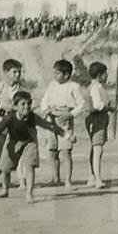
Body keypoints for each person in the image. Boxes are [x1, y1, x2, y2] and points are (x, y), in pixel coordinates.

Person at [0, 90, 58, 203]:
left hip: (30, 142)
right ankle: (5, 191)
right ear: (15, 106)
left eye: (29, 104)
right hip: (13, 141)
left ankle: (29, 193)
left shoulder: (33, 117)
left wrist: (66, 135)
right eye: (23, 104)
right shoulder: (9, 118)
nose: (27, 107)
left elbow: (48, 125)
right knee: (5, 168)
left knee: (29, 166)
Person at [39, 59, 85, 188]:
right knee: (52, 150)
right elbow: (45, 99)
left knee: (65, 151)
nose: (54, 76)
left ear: (66, 75)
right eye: (53, 73)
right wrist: (45, 111)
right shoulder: (52, 85)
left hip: (65, 119)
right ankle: (55, 178)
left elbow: (81, 104)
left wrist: (71, 114)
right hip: (51, 118)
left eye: (57, 74)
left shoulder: (74, 86)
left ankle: (68, 180)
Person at [0, 58, 24, 187]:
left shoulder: (23, 88)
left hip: (16, 125)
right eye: (14, 72)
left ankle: (21, 180)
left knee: (17, 152)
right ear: (6, 72)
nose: (17, 75)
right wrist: (2, 111)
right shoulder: (0, 86)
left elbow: (31, 103)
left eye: (19, 72)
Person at [84, 61, 111, 189]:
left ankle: (92, 177)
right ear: (100, 75)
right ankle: (97, 179)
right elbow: (98, 105)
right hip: (97, 120)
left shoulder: (97, 87)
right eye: (105, 74)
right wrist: (110, 108)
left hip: (98, 119)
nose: (107, 76)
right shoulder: (95, 88)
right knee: (98, 149)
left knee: (95, 149)